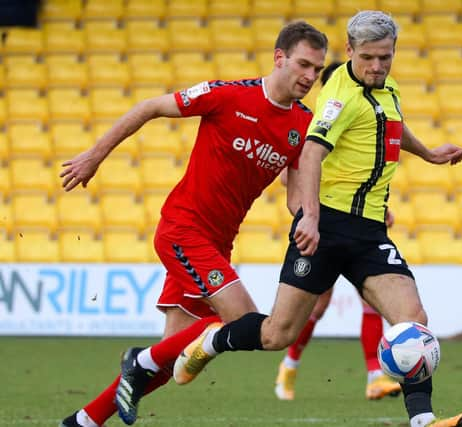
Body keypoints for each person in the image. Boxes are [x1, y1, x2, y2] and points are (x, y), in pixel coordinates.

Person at [173, 11, 462, 427]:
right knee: (276, 334)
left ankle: (423, 420)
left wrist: (427, 153)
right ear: (350, 51)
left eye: (385, 58)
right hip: (327, 228)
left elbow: (391, 125)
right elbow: (312, 152)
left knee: (414, 320)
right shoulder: (339, 94)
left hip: (369, 232)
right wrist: (310, 218)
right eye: (368, 57)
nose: (376, 66)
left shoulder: (388, 90)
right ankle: (211, 342)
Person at [58, 21, 328, 427]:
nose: (310, 77)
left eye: (318, 70)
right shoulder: (228, 95)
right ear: (279, 58)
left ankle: (83, 421)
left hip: (218, 245)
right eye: (304, 65)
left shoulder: (302, 127)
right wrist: (95, 155)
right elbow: (149, 107)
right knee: (241, 323)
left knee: (169, 359)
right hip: (183, 229)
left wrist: (313, 218)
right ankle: (138, 358)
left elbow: (296, 197)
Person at [274, 60, 401, 402]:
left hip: (357, 228)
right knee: (316, 307)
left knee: (370, 300)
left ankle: (375, 375)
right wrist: (308, 215)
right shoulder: (316, 126)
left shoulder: (357, 121)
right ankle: (289, 365)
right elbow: (290, 177)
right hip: (323, 228)